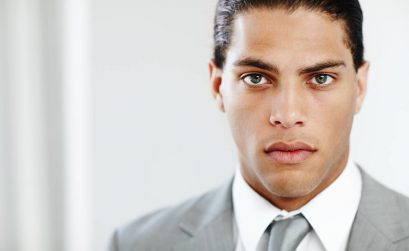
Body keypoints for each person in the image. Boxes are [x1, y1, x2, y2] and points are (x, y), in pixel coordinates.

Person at [108, 0, 409, 250]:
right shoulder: (136, 244)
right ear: (217, 86)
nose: (288, 115)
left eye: (320, 78)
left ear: (359, 86)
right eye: (256, 78)